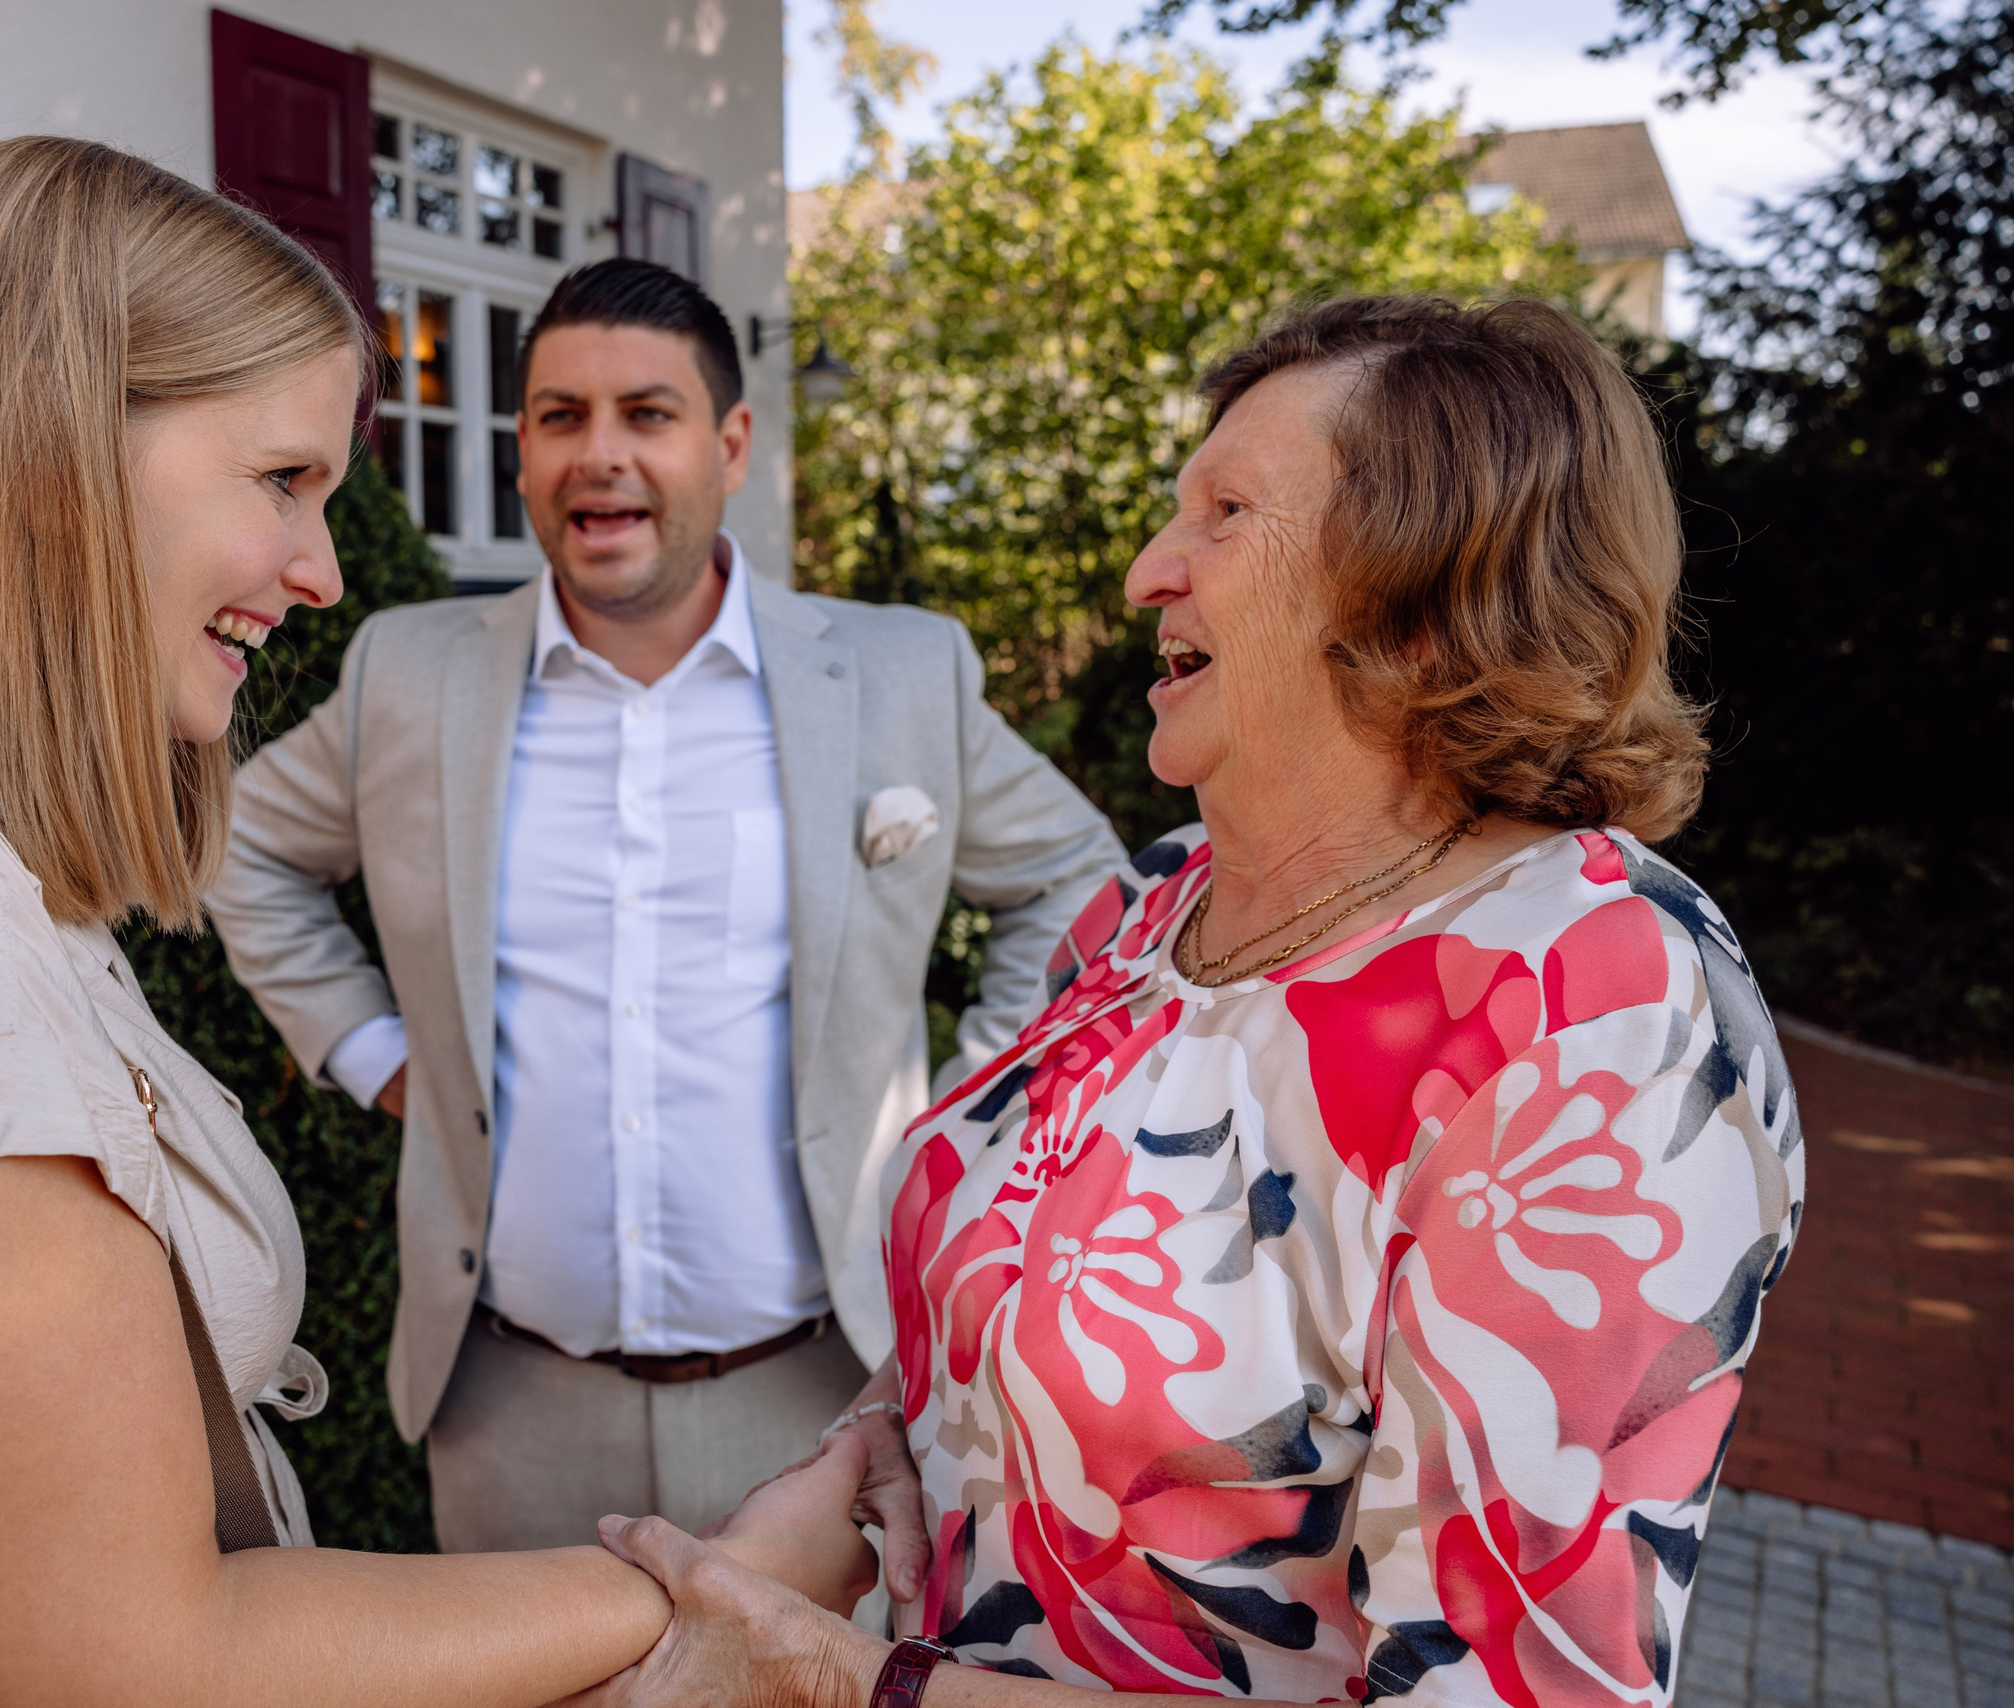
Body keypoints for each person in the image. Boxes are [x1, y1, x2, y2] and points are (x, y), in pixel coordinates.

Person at [0, 137, 871, 1708]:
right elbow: (142, 1665)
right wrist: (732, 1592)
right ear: (55, 445)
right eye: (284, 479)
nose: (319, 571)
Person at [575, 295, 1807, 1706]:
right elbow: (1009, 1284)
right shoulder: (1150, 905)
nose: (1149, 572)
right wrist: (877, 1442)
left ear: (1423, 605)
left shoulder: (1601, 1002)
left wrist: (847, 1682)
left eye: (1225, 512)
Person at [207, 257, 1125, 1558]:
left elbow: (1075, 880)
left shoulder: (897, 673)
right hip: (510, 1405)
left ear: (730, 442)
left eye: (648, 413)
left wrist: (955, 1116)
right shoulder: (408, 673)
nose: (601, 456)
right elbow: (239, 842)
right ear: (520, 450)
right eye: (559, 416)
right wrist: (376, 1055)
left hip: (826, 1400)